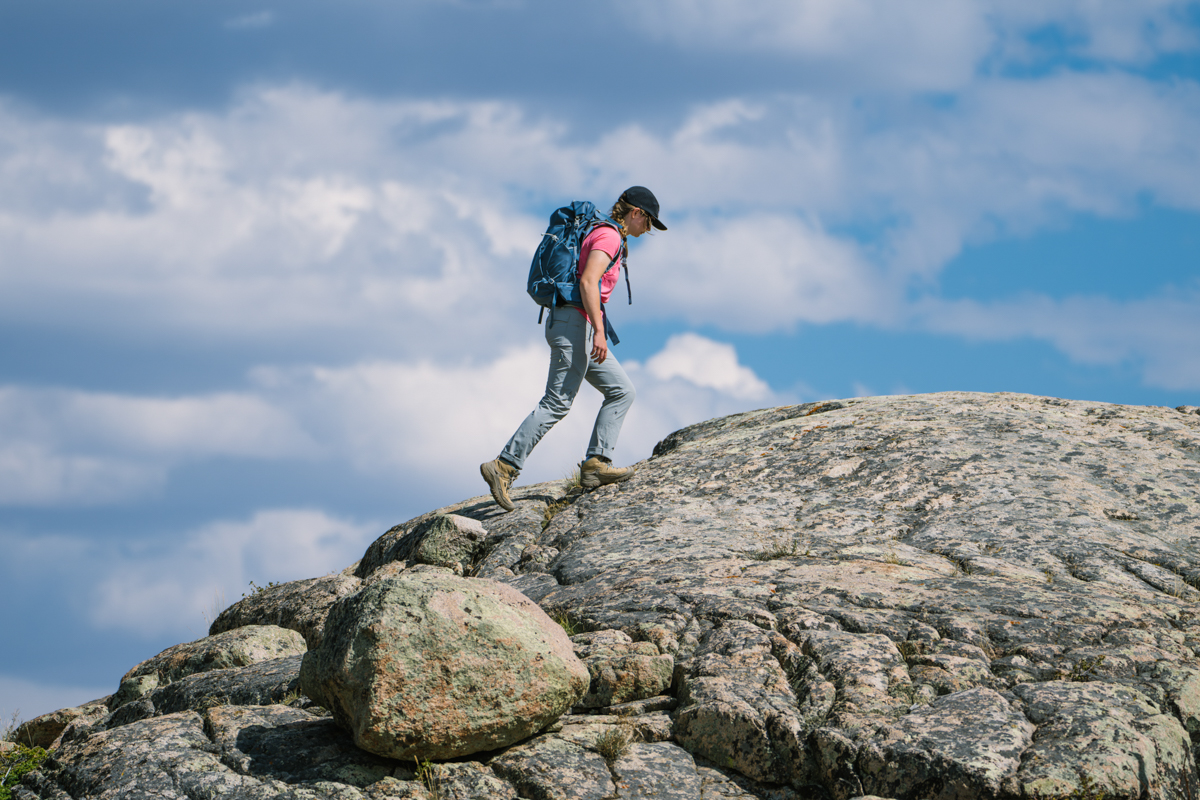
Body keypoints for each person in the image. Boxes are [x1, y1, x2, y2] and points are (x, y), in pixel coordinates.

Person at [480, 186, 668, 512]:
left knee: (622, 390)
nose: (647, 230)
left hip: (574, 325)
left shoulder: (605, 233)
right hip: (575, 326)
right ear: (636, 213)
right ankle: (504, 466)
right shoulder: (609, 236)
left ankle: (596, 464)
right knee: (557, 401)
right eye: (649, 222)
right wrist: (598, 330)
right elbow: (588, 281)